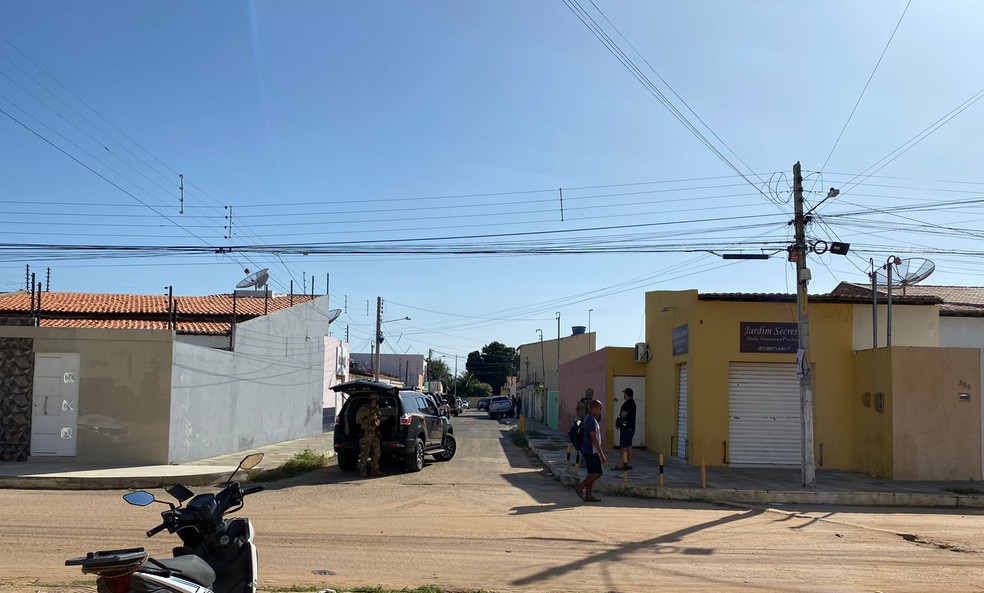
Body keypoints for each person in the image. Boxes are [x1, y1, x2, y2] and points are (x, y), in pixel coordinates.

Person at [575, 399, 605, 503]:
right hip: (591, 450)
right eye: (599, 409)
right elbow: (593, 437)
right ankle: (580, 487)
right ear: (594, 409)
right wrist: (601, 453)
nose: (600, 411)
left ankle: (589, 494)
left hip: (587, 449)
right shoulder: (591, 420)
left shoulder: (588, 418)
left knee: (591, 473)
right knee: (598, 473)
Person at [355, 394, 384, 478]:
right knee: (364, 454)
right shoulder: (364, 409)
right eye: (375, 399)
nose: (376, 401)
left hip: (375, 434)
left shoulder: (376, 409)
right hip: (366, 434)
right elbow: (357, 420)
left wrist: (376, 419)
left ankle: (375, 470)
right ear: (372, 399)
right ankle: (363, 472)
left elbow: (378, 422)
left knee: (376, 453)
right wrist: (369, 419)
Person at [613, 387, 637, 471]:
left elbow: (623, 415)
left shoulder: (627, 404)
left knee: (624, 446)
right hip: (631, 428)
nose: (624, 395)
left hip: (626, 428)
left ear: (626, 394)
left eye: (624, 394)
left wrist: (617, 423)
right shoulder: (633, 403)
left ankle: (621, 464)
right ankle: (629, 463)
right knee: (629, 445)